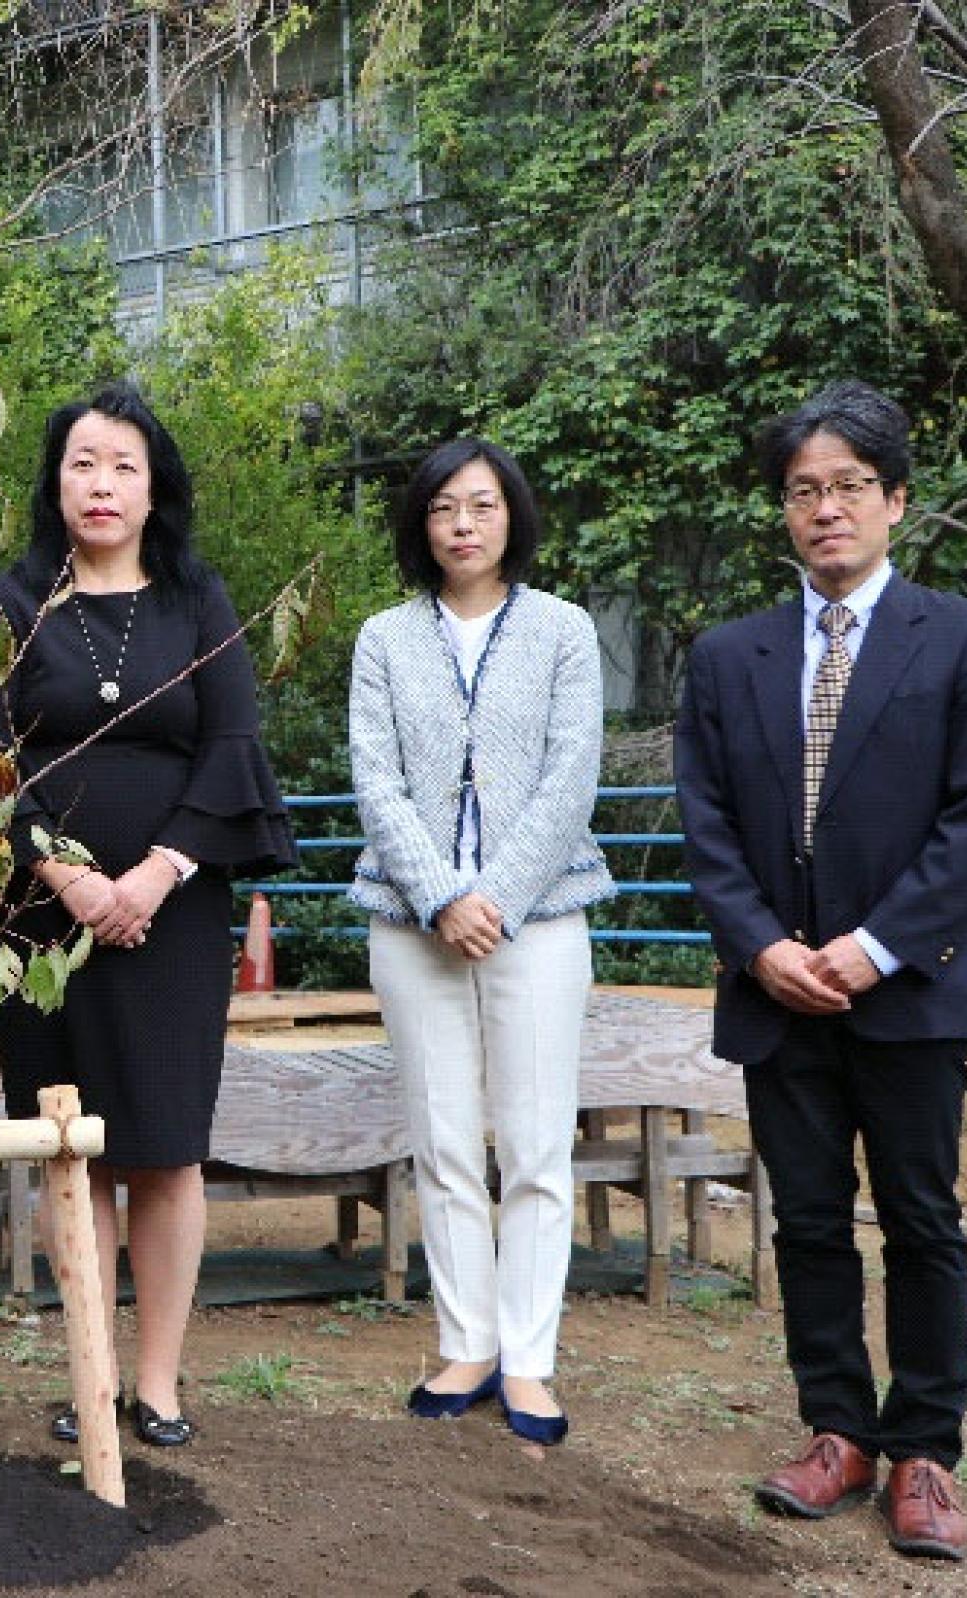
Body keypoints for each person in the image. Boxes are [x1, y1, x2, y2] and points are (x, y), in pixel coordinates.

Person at [675, 380, 967, 1561]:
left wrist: (873, 948)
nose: (827, 509)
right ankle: (838, 1429)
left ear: (897, 504)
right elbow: (706, 823)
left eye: (850, 488)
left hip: (911, 987)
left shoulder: (963, 636)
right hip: (776, 991)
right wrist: (764, 945)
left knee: (923, 1219)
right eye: (804, 489)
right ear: (785, 510)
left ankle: (925, 1448)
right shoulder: (730, 656)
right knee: (810, 1221)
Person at [0, 381, 295, 1448]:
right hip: (42, 919)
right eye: (82, 463)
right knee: (79, 1149)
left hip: (175, 915)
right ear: (53, 481)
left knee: (163, 1146)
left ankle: (156, 1382)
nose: (102, 484)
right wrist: (68, 877)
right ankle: (92, 1375)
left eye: (123, 466)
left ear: (156, 488)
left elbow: (234, 750)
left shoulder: (199, 604)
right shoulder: (10, 605)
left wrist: (154, 874)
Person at [345, 438, 613, 1447]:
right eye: (445, 507)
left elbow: (568, 776)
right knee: (444, 1139)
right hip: (412, 925)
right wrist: (442, 895)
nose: (463, 523)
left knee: (538, 1142)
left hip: (538, 921)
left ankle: (531, 1358)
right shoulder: (385, 637)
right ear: (422, 524)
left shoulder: (562, 630)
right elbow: (377, 781)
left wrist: (493, 896)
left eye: (483, 505)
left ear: (514, 517)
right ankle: (466, 1339)